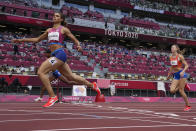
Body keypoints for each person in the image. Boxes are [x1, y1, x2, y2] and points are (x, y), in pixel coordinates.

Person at [12, 12, 101, 107]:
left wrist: (78, 45)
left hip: (59, 54)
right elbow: (37, 40)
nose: (54, 17)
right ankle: (92, 85)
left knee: (41, 72)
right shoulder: (49, 30)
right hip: (55, 55)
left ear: (61, 19)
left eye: (57, 16)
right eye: (54, 16)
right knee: (71, 77)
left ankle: (52, 97)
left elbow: (74, 38)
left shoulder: (63, 29)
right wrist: (21, 40)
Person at [167, 44, 191, 111]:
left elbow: (186, 65)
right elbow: (172, 66)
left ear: (176, 49)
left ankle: (188, 105)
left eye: (173, 47)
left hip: (181, 74)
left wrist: (183, 71)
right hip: (176, 74)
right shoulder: (170, 56)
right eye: (171, 47)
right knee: (172, 90)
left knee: (181, 91)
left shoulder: (180, 56)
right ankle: (184, 84)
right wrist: (169, 74)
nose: (171, 48)